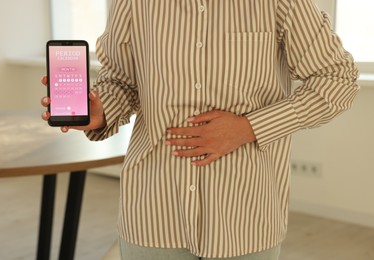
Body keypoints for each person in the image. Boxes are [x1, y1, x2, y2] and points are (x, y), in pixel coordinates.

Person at [41, 0, 359, 259]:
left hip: (245, 209)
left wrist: (249, 128)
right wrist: (101, 110)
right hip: (154, 206)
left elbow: (337, 80)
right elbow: (122, 82)